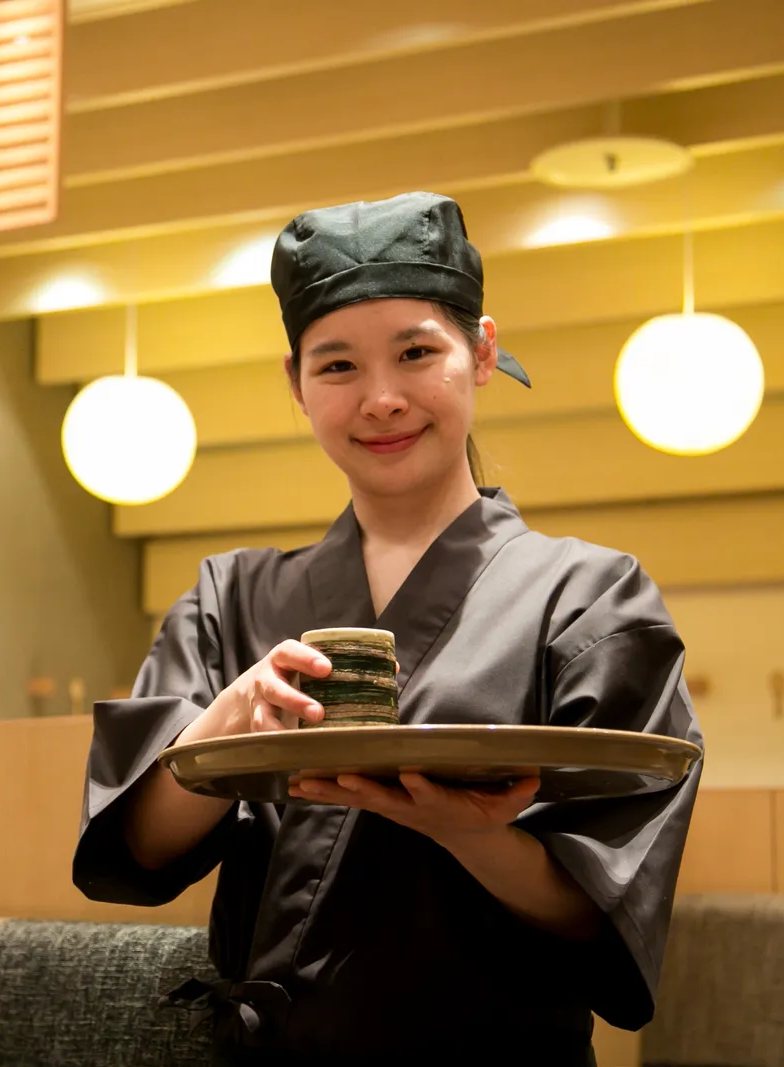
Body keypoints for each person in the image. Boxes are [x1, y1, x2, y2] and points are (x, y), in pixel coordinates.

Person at [72, 191, 703, 1065]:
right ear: (295, 384)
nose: (381, 399)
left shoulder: (591, 597)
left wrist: (466, 827)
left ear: (480, 352)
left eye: (416, 352)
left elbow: (605, 915)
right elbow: (135, 844)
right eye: (336, 367)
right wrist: (233, 714)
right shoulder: (231, 593)